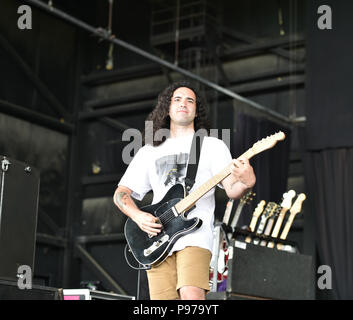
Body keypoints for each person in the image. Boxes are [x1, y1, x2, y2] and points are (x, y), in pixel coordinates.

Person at [113, 80, 256, 300]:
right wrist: (138, 216)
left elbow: (231, 189)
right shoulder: (149, 150)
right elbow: (121, 192)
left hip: (195, 234)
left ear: (196, 110)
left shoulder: (212, 146)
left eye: (190, 100)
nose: (183, 103)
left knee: (191, 295)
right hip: (158, 239)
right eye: (177, 99)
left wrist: (247, 182)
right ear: (167, 108)